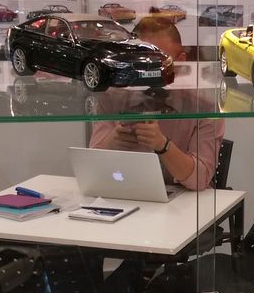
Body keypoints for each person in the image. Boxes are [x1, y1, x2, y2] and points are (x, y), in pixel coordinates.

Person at [88, 17, 224, 190]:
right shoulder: (111, 99)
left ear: (180, 61)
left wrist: (163, 145)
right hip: (125, 192)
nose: (148, 71)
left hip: (184, 201)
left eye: (159, 62)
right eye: (139, 61)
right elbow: (90, 170)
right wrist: (112, 142)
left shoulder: (204, 106)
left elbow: (200, 179)